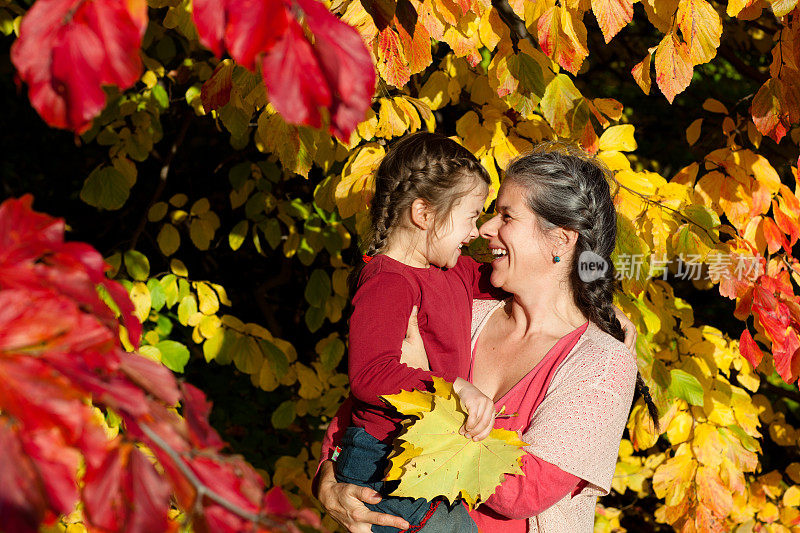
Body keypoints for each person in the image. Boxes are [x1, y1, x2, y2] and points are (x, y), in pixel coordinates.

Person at [314, 143, 656, 532]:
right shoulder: (466, 306)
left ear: (561, 241)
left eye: (506, 216)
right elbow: (369, 391)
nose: (485, 229)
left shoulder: (600, 363)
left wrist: (440, 401)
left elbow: (521, 491)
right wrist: (329, 473)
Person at [337, 132, 507, 533]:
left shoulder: (451, 269)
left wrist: (597, 296)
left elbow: (524, 277)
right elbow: (370, 376)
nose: (475, 231)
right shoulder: (388, 281)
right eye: (471, 215)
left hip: (421, 445)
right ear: (423, 214)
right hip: (381, 458)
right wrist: (456, 388)